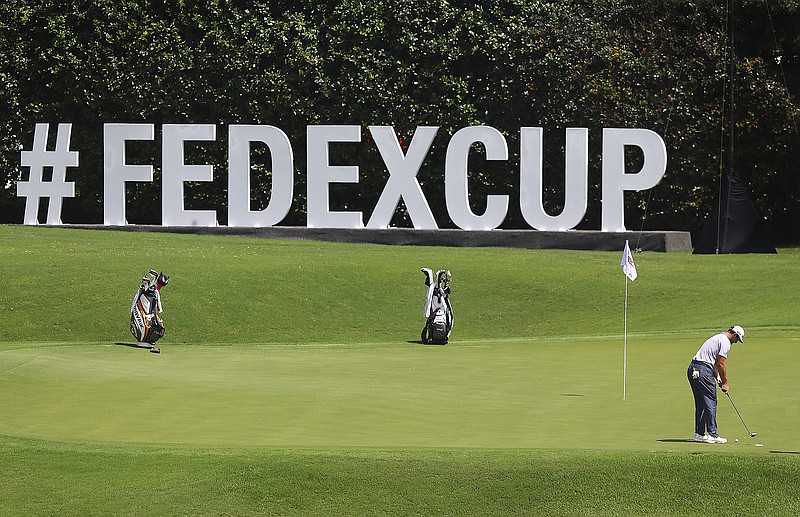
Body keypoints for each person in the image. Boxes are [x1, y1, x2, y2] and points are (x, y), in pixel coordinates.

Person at [687, 325, 745, 444]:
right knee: (710, 402)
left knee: (701, 403)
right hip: (703, 371)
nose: (736, 342)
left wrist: (717, 377)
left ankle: (700, 434)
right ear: (734, 335)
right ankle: (713, 434)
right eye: (737, 340)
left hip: (693, 369)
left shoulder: (718, 337)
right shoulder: (725, 342)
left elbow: (711, 362)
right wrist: (725, 383)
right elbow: (721, 364)